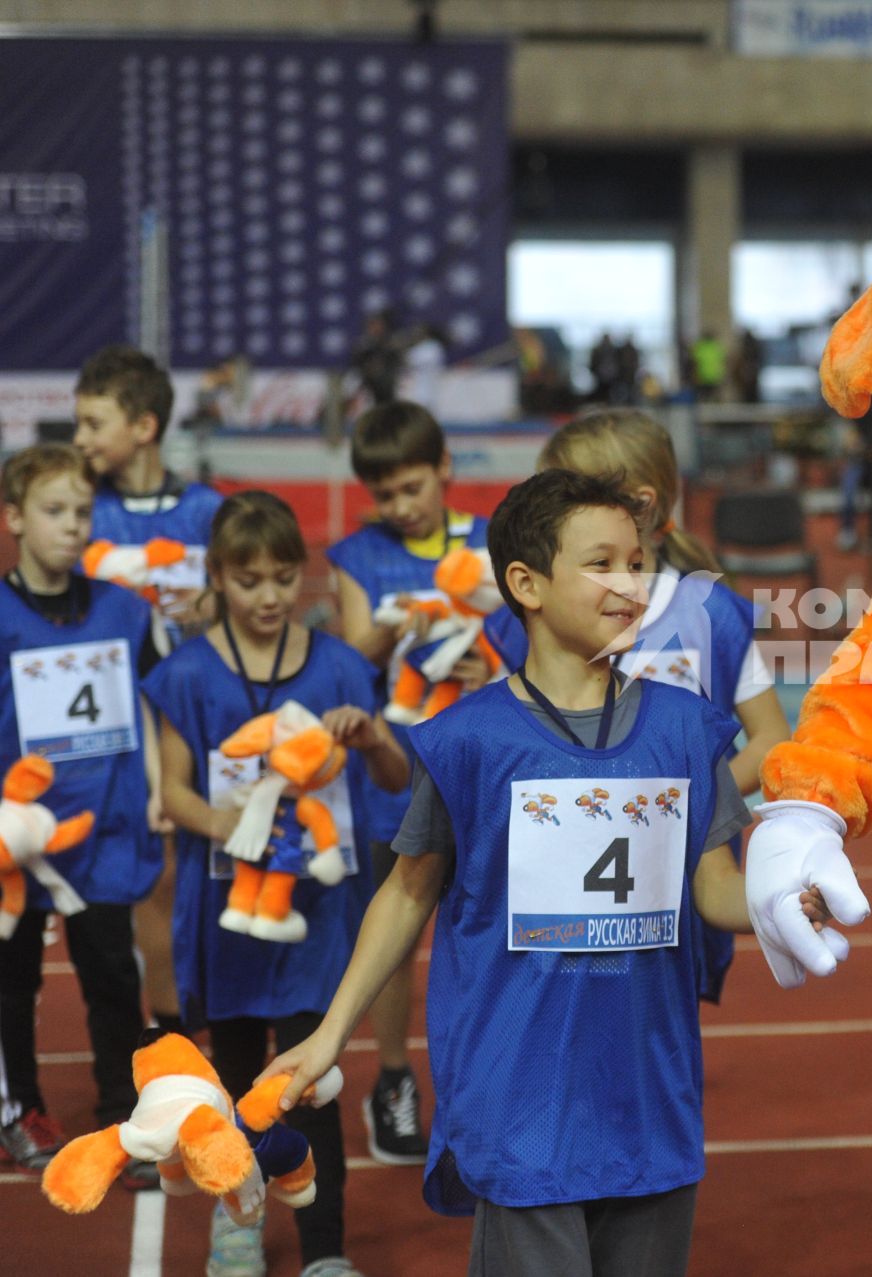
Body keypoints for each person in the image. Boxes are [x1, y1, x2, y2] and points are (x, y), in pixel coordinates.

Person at [256, 469, 828, 1277]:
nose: (630, 584)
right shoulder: (467, 739)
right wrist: (328, 1036)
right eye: (602, 563)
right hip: (519, 1104)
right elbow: (408, 889)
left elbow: (711, 886)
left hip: (650, 1102)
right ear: (525, 582)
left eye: (638, 563)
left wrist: (782, 900)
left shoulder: (686, 729)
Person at [144, 491, 407, 1277]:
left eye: (283, 578)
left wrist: (375, 735)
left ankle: (326, 1250)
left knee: (309, 1080)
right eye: (249, 578)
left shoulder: (338, 665)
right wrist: (235, 823)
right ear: (218, 577)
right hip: (227, 916)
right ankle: (236, 1225)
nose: (268, 595)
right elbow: (175, 791)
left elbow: (394, 776)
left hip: (318, 914)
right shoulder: (186, 673)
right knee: (228, 1082)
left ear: (304, 577)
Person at [487, 409, 791, 1001]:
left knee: (655, 1034)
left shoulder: (711, 614)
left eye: (562, 494)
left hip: (678, 882)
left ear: (641, 506)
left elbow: (771, 739)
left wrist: (678, 806)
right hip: (553, 877)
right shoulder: (525, 615)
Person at [326, 400, 489, 1165]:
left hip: (488, 762)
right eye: (384, 494)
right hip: (396, 768)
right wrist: (400, 620)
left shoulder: (494, 542)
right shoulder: (358, 554)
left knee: (491, 932)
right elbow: (347, 659)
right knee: (397, 938)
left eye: (412, 487)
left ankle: (482, 1080)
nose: (399, 505)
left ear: (445, 468)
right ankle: (393, 1078)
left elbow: (532, 643)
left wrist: (485, 667)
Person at [0, 445, 166, 1184]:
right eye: (53, 511)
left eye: (81, 513)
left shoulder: (126, 610)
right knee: (12, 979)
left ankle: (120, 1113)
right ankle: (21, 1109)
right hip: (17, 840)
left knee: (110, 977)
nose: (72, 527)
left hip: (103, 831)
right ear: (12, 518)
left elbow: (155, 707)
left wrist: (161, 788)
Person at [73, 345, 223, 1061]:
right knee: (150, 881)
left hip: (200, 722)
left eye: (92, 422)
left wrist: (214, 602)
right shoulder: (80, 514)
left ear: (144, 425)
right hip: (111, 725)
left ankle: (217, 1019)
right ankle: (166, 1035)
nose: (79, 439)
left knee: (209, 870)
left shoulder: (207, 511)